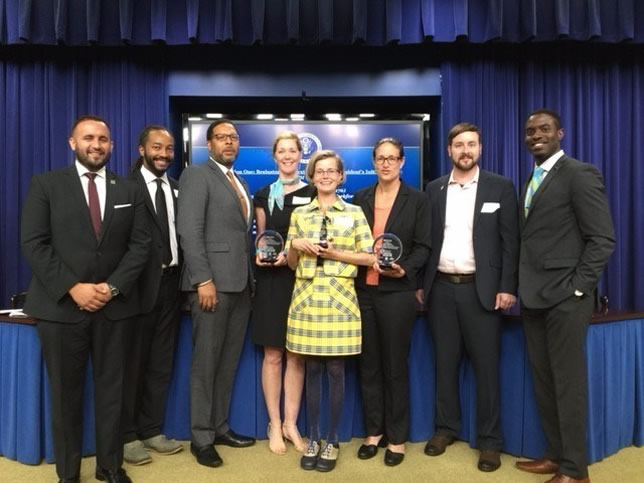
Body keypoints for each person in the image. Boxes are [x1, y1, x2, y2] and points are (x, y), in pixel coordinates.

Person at [20, 115, 150, 483]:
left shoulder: (129, 190)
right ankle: (68, 473)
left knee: (113, 394)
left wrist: (111, 288)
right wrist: (72, 287)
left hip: (116, 307)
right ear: (72, 143)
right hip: (60, 309)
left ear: (112, 145)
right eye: (89, 137)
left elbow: (141, 247)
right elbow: (34, 242)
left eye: (104, 139)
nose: (97, 144)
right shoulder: (46, 185)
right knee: (65, 396)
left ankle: (110, 467)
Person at [515, 109, 615, 483]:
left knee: (568, 384)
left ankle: (576, 470)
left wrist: (578, 288)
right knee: (544, 381)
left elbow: (602, 239)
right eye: (529, 131)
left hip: (566, 300)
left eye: (543, 129)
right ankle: (555, 455)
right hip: (534, 297)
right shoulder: (533, 178)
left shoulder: (579, 173)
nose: (535, 135)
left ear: (561, 133)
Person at [420, 122, 519, 472]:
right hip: (442, 290)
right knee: (444, 365)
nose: (465, 150)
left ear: (480, 149)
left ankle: (490, 442)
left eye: (471, 144)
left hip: (484, 292)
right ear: (449, 151)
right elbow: (426, 241)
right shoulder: (433, 189)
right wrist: (422, 283)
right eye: (459, 144)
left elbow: (511, 243)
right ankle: (445, 429)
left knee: (486, 370)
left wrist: (507, 287)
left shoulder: (500, 187)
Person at [285, 150, 375, 472]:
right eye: (319, 171)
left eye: (331, 171)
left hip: (339, 299)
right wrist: (295, 246)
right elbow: (292, 264)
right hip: (307, 298)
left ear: (340, 177)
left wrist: (335, 252)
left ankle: (333, 439)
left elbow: (369, 258)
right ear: (311, 176)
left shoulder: (353, 213)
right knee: (311, 370)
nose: (324, 176)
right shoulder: (300, 214)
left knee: (336, 370)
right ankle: (313, 438)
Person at [177, 119, 256, 469]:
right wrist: (202, 280)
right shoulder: (197, 175)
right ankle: (201, 437)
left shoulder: (241, 181)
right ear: (207, 144)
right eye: (222, 137)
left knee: (227, 365)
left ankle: (220, 427)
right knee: (206, 365)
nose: (229, 142)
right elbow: (189, 232)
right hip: (212, 287)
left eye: (234, 138)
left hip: (241, 287)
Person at [353, 138, 431, 466]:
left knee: (394, 366)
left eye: (392, 158)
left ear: (402, 162)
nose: (386, 164)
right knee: (368, 364)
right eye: (381, 158)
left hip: (398, 293)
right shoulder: (360, 198)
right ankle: (374, 432)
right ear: (374, 162)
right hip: (364, 293)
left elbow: (424, 246)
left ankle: (396, 438)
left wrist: (405, 271)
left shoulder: (418, 199)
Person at [122, 125, 183, 465]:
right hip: (136, 289)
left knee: (161, 362)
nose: (164, 154)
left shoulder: (175, 188)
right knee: (133, 364)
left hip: (171, 286)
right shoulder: (123, 188)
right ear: (141, 149)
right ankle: (127, 435)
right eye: (157, 147)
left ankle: (151, 429)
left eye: (169, 148)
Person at [252, 131, 316, 455]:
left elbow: (319, 235)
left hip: (302, 280)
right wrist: (261, 254)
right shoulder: (263, 193)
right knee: (273, 354)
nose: (288, 156)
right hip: (271, 282)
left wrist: (293, 252)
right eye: (282, 151)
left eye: (293, 151)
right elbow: (262, 235)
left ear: (300, 156)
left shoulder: (314, 191)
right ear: (275, 156)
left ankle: (292, 423)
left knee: (297, 355)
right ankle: (274, 423)